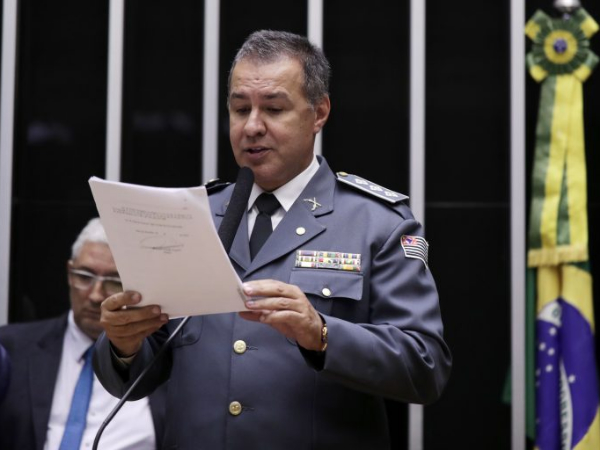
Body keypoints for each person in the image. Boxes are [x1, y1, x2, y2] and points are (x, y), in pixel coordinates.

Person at [94, 30, 452, 449]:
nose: (252, 126)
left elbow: (425, 368)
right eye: (240, 108)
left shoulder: (376, 223)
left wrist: (321, 334)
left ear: (319, 113)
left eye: (274, 109)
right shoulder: (192, 215)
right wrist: (123, 344)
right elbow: (142, 372)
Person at [0, 218, 165, 450]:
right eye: (84, 276)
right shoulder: (12, 348)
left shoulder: (165, 361)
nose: (96, 295)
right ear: (70, 273)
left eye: (114, 281)